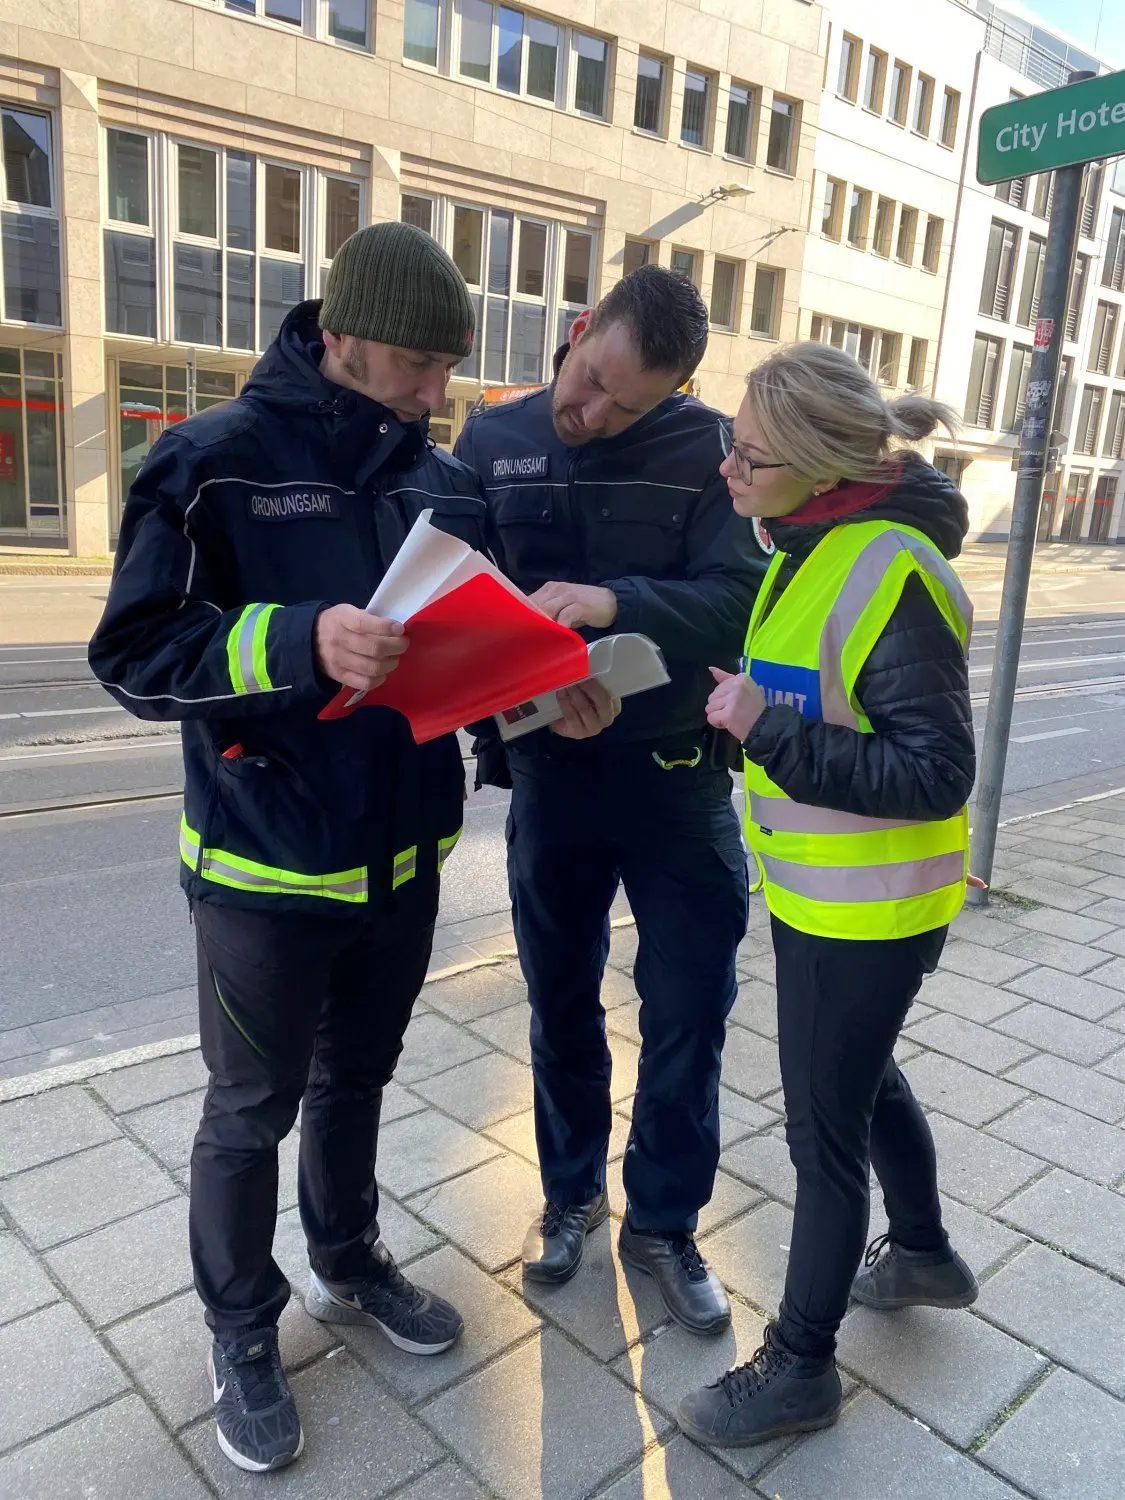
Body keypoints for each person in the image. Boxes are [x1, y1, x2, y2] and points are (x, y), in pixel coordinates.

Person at [89, 221, 614, 1475]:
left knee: (357, 1084)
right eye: (420, 368)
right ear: (340, 341)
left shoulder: (428, 479)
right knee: (246, 1112)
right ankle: (241, 1329)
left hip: (400, 859)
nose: (443, 397)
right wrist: (291, 641)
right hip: (265, 869)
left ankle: (345, 1259)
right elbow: (134, 655)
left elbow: (453, 649)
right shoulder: (207, 465)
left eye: (450, 369)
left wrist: (537, 692)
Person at [676, 342, 979, 1448]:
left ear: (813, 461)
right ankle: (928, 1255)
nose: (729, 469)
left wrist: (770, 730)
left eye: (750, 455)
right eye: (730, 447)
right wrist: (746, 730)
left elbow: (936, 773)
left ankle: (801, 1365)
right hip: (827, 900)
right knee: (862, 1077)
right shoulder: (810, 546)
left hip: (867, 912)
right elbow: (822, 706)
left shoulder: (888, 568)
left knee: (822, 1132)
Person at [455, 265, 767, 1334]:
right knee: (558, 1000)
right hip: (551, 773)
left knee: (689, 1006)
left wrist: (615, 604)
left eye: (628, 406)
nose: (592, 414)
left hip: (676, 778)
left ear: (673, 396)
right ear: (579, 329)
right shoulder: (490, 444)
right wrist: (516, 695)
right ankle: (571, 1194)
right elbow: (447, 611)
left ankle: (666, 1224)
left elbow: (742, 598)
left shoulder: (707, 450)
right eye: (590, 383)